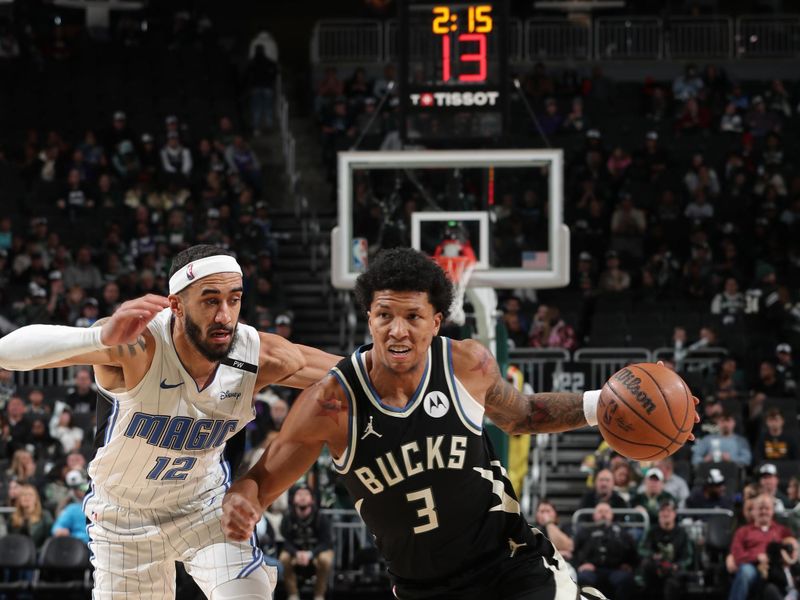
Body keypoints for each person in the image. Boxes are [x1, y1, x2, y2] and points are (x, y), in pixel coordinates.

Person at [221, 248, 680, 599]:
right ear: (369, 318)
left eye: (412, 317)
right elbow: (262, 481)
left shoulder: (466, 364)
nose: (397, 330)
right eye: (384, 315)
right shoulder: (331, 402)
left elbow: (521, 415)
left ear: (436, 322)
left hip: (509, 562)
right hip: (423, 587)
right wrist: (243, 494)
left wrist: (599, 404)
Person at [0, 244, 341, 599]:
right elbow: (6, 352)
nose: (225, 315)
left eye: (234, 299)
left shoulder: (259, 355)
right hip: (123, 519)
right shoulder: (140, 345)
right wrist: (97, 337)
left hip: (204, 509)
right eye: (210, 301)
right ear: (176, 305)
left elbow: (355, 377)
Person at [727, 494, 793, 600]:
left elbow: (793, 550)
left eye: (767, 508)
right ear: (753, 511)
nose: (763, 512)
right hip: (753, 567)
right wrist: (756, 557)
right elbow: (738, 556)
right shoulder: (743, 531)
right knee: (745, 571)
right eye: (760, 508)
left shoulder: (782, 531)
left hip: (777, 569)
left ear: (772, 511)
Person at [278, 483, 334, 600]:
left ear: (312, 499)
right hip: (296, 554)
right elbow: (286, 541)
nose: (302, 497)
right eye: (299, 494)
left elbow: (326, 542)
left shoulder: (321, 518)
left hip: (316, 554)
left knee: (326, 558)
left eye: (306, 494)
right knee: (283, 558)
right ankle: (293, 595)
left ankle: (319, 595)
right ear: (293, 499)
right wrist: (296, 553)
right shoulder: (288, 518)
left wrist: (311, 554)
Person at [574, 502, 637, 600]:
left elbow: (633, 552)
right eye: (600, 511)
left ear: (612, 515)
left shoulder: (621, 532)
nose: (603, 514)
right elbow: (575, 552)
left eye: (606, 511)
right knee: (583, 577)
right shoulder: (585, 532)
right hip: (592, 569)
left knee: (626, 579)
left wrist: (629, 564)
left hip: (616, 569)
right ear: (594, 516)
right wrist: (580, 565)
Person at [638, 499, 693, 600]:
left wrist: (678, 565)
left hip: (674, 571)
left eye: (669, 510)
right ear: (658, 514)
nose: (665, 514)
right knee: (647, 568)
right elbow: (642, 549)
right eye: (662, 511)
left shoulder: (682, 533)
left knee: (672, 584)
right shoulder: (652, 531)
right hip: (655, 570)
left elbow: (688, 557)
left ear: (674, 514)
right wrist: (653, 556)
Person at [51, 469, 90, 544]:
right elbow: (57, 527)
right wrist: (60, 531)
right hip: (81, 545)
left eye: (82, 486)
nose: (78, 491)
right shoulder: (72, 509)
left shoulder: (102, 503)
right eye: (75, 488)